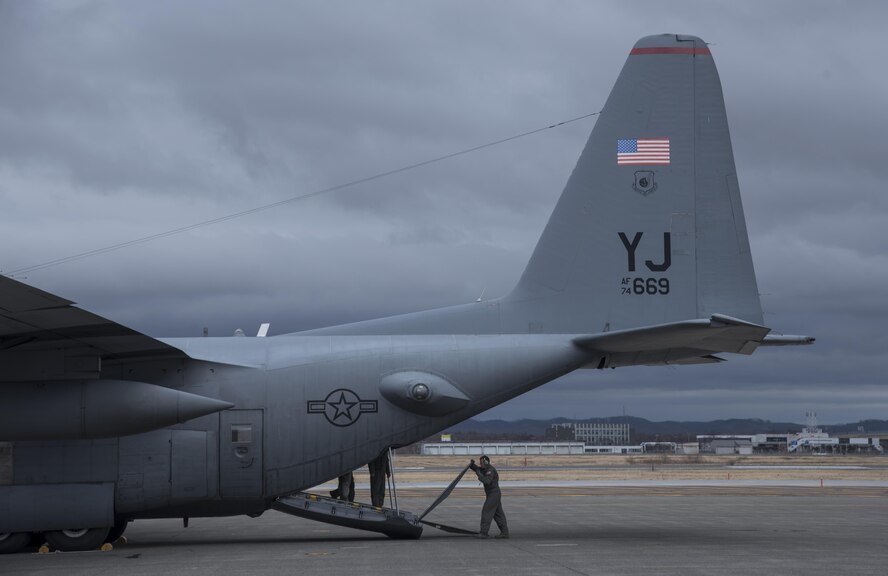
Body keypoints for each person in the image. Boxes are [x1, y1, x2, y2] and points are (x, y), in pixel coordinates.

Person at [469, 455, 509, 538]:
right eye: (480, 463)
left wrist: (479, 475)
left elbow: (487, 481)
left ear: (486, 462)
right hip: (493, 494)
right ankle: (505, 533)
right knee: (498, 514)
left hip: (494, 494)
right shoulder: (485, 469)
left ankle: (484, 533)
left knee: (486, 511)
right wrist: (472, 465)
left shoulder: (490, 470)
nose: (480, 465)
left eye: (482, 463)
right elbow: (478, 469)